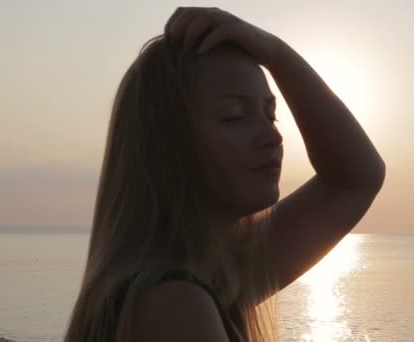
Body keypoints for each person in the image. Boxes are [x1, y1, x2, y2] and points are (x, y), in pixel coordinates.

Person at [63, 6, 385, 342]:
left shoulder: (212, 274)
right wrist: (276, 56)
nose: (272, 137)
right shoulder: (174, 302)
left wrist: (275, 52)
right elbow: (353, 180)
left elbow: (355, 179)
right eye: (234, 116)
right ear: (168, 143)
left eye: (270, 115)